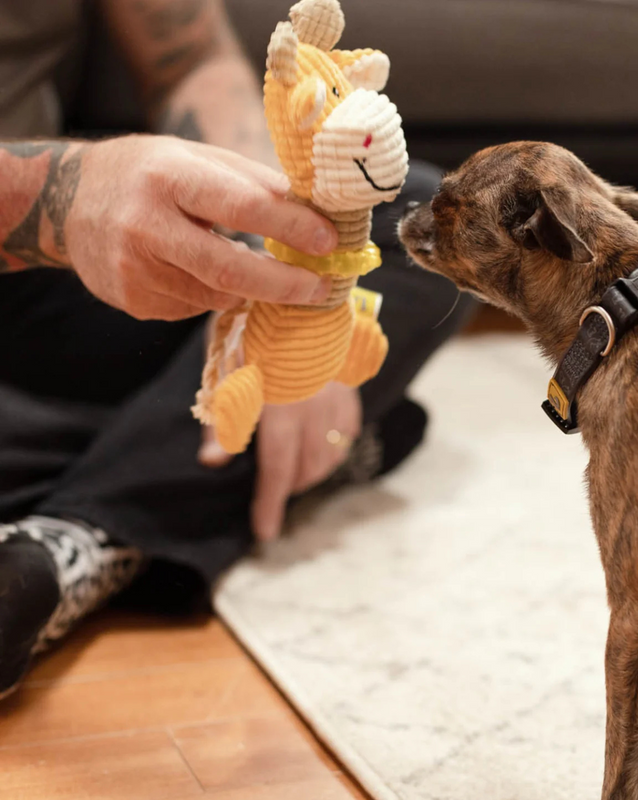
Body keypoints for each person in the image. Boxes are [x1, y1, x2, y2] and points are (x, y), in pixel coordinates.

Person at [0, 0, 474, 698]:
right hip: (39, 209)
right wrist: (60, 194)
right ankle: (112, 518)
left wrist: (283, 272)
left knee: (432, 228)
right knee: (381, 422)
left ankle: (54, 543)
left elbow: (191, 60)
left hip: (39, 285)